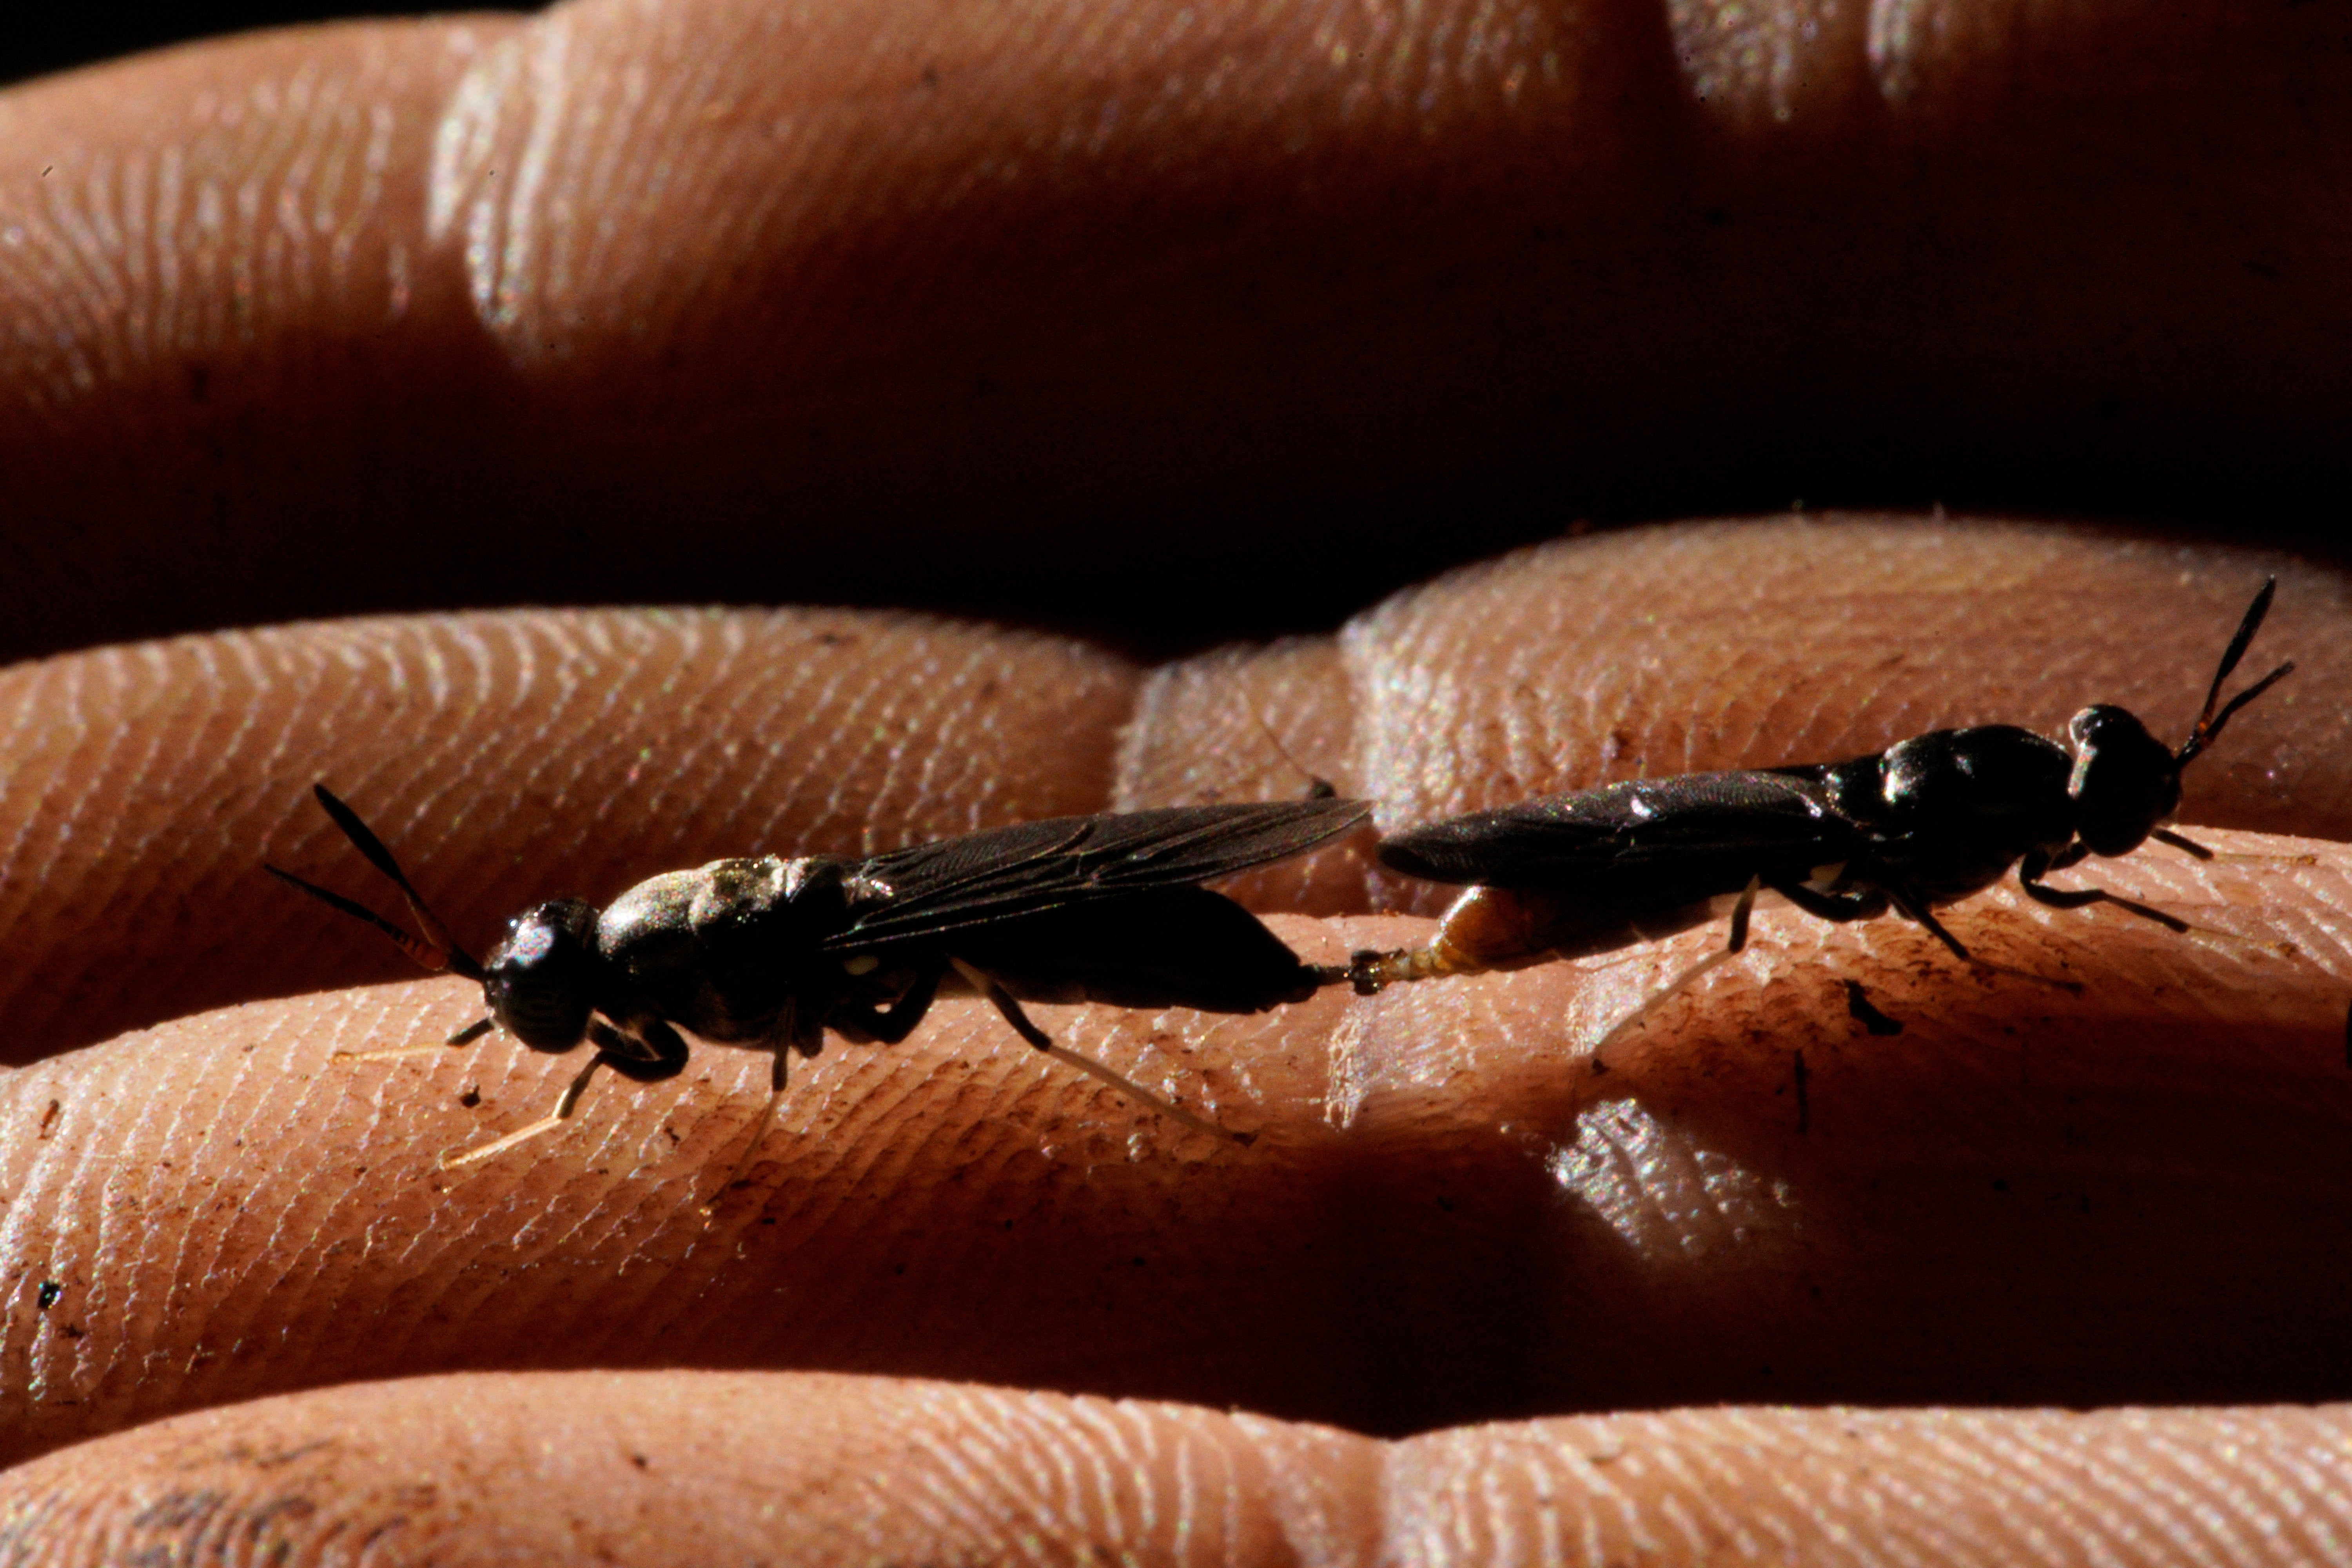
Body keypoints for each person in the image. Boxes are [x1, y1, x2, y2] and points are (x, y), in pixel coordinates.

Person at [0, 0, 2347, 1555]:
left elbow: (825, 980)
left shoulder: (679, 953)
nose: (540, 1001)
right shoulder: (669, 953)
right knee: (1043, 967)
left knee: (1046, 974)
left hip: (1131, 905)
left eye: (542, 1003)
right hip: (1182, 895)